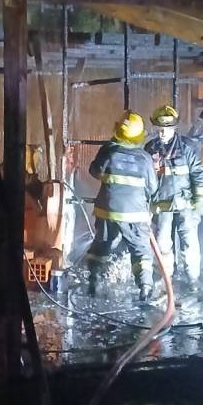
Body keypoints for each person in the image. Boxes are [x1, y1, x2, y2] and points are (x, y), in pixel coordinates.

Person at [86, 111, 158, 302]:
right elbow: (153, 188)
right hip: (135, 214)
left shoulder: (108, 151)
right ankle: (145, 287)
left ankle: (93, 281)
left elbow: (94, 171)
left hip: (107, 211)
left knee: (102, 244)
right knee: (140, 250)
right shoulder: (145, 159)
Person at [145, 104, 203, 288]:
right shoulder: (150, 149)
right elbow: (146, 179)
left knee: (189, 244)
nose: (162, 132)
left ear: (174, 128)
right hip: (162, 205)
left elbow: (198, 174)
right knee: (163, 244)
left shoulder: (187, 148)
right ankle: (166, 280)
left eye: (167, 128)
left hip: (185, 205)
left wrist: (199, 203)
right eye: (159, 128)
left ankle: (193, 280)